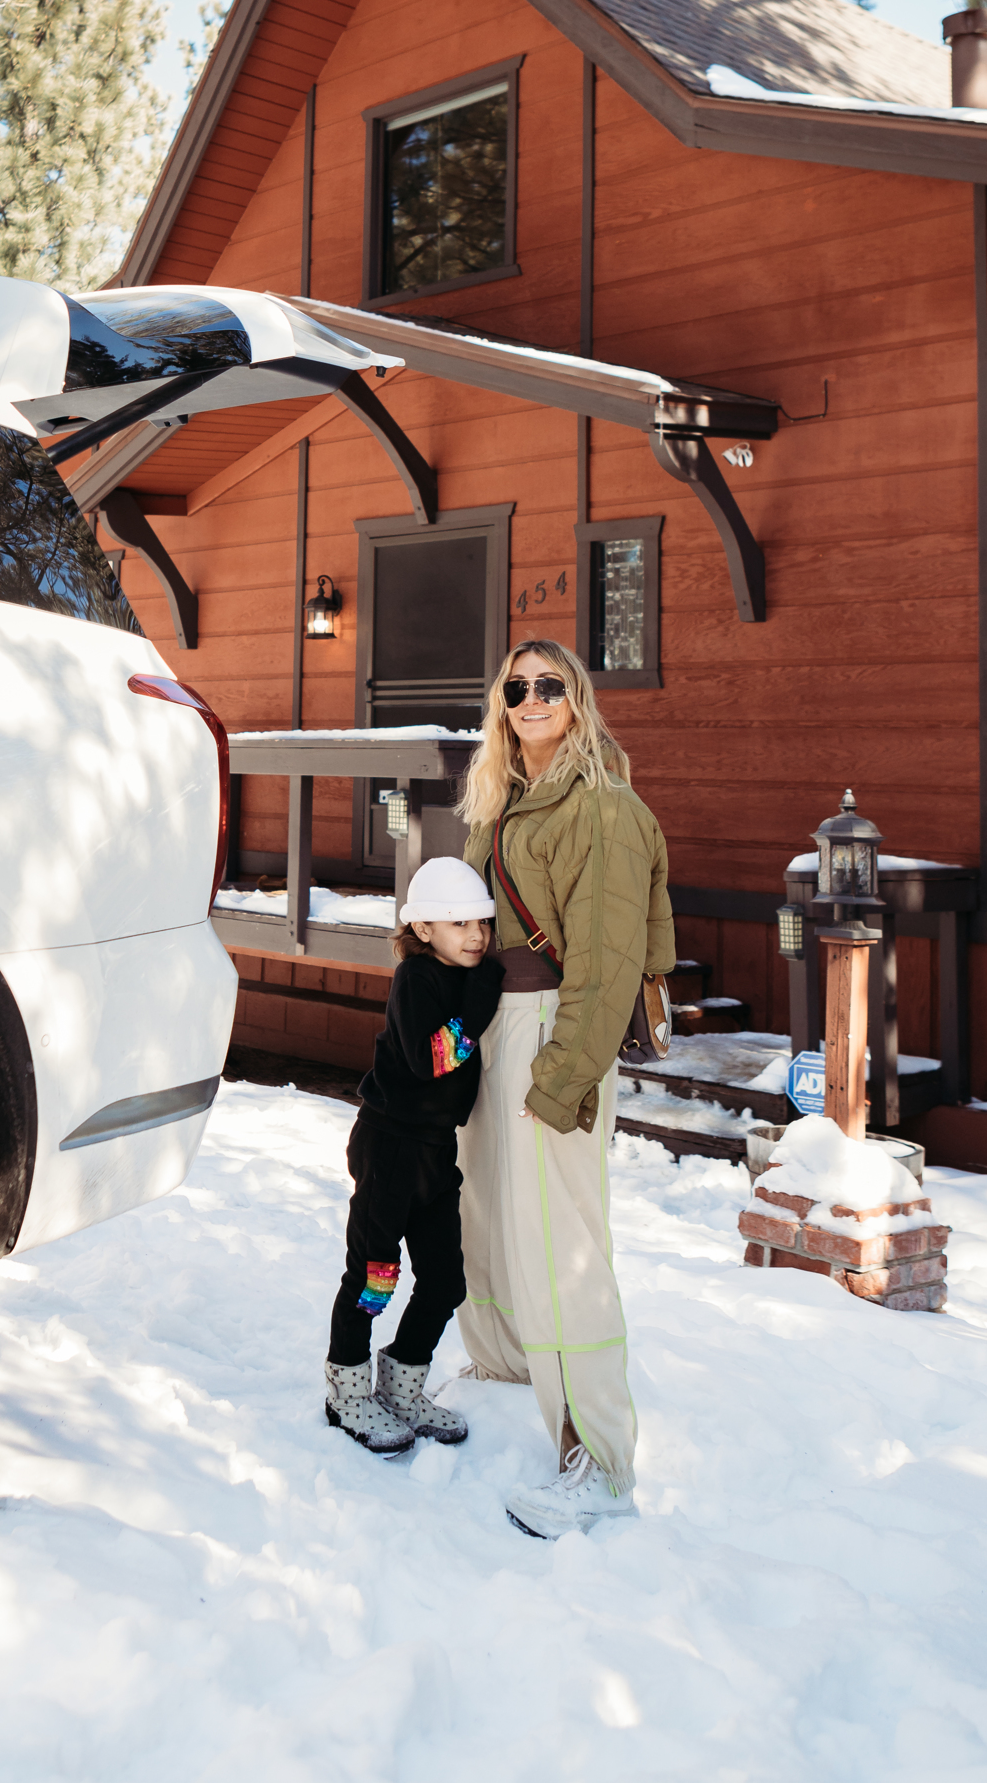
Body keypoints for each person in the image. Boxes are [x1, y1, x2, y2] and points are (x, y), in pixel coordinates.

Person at [456, 637, 674, 1537]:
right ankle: (507, 1369)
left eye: (550, 684)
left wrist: (564, 1077)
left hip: (554, 1030)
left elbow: (607, 961)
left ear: (577, 700)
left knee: (561, 1244)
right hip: (491, 1026)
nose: (532, 697)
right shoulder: (500, 803)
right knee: (490, 1214)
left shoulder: (602, 809)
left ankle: (598, 1460)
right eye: (517, 685)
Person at [324, 858, 506, 1456]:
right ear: (424, 929)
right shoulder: (417, 979)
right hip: (390, 1146)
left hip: (435, 1150)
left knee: (445, 1281)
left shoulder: (470, 976)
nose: (475, 935)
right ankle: (346, 1390)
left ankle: (402, 1384)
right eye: (458, 924)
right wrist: (478, 1003)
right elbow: (433, 1057)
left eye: (481, 921)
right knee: (375, 1277)